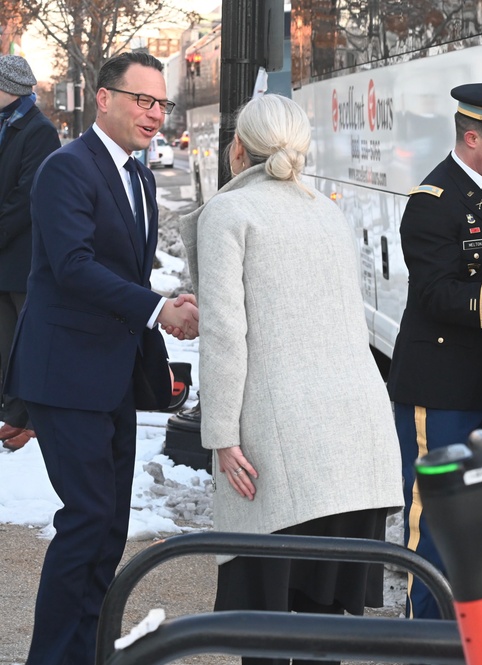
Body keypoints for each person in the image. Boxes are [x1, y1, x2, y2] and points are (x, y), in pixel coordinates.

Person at [179, 94, 403, 665]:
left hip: (283, 447)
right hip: (355, 442)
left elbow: (228, 338)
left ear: (236, 149)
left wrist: (222, 436)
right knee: (327, 627)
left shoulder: (231, 212)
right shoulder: (326, 210)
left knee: (263, 630)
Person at [4, 51, 199, 665]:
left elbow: (124, 272)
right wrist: (156, 307)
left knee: (109, 528)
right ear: (104, 100)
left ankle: (85, 649)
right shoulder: (66, 168)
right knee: (87, 520)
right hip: (66, 377)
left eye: (161, 102)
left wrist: (162, 308)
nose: (154, 114)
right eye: (142, 100)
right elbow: (73, 267)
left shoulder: (139, 175)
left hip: (112, 377)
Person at [386, 82, 482, 619]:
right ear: (471, 136)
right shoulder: (433, 202)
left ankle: (470, 630)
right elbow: (434, 293)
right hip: (440, 385)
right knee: (434, 523)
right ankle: (425, 637)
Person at [0, 55, 60, 451]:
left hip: (22, 256)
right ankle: (14, 413)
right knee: (5, 341)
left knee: (27, 341)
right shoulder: (6, 124)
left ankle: (32, 419)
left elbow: (25, 200)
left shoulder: (38, 130)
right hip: (5, 255)